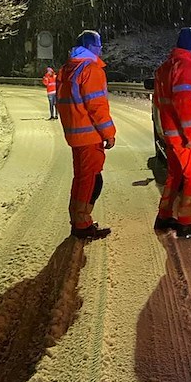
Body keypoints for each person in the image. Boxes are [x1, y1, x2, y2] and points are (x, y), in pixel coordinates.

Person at [56, 30, 116, 239]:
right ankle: (82, 224)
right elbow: (97, 106)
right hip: (90, 134)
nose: (101, 50)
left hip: (75, 134)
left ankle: (78, 219)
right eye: (99, 46)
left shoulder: (67, 68)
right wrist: (109, 133)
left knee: (82, 178)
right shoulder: (90, 69)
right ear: (91, 47)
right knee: (90, 180)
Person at [154, 28, 191, 238]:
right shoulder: (185, 68)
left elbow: (160, 102)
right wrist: (190, 136)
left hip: (170, 131)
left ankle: (164, 215)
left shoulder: (166, 67)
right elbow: (184, 103)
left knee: (175, 175)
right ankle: (185, 222)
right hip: (183, 136)